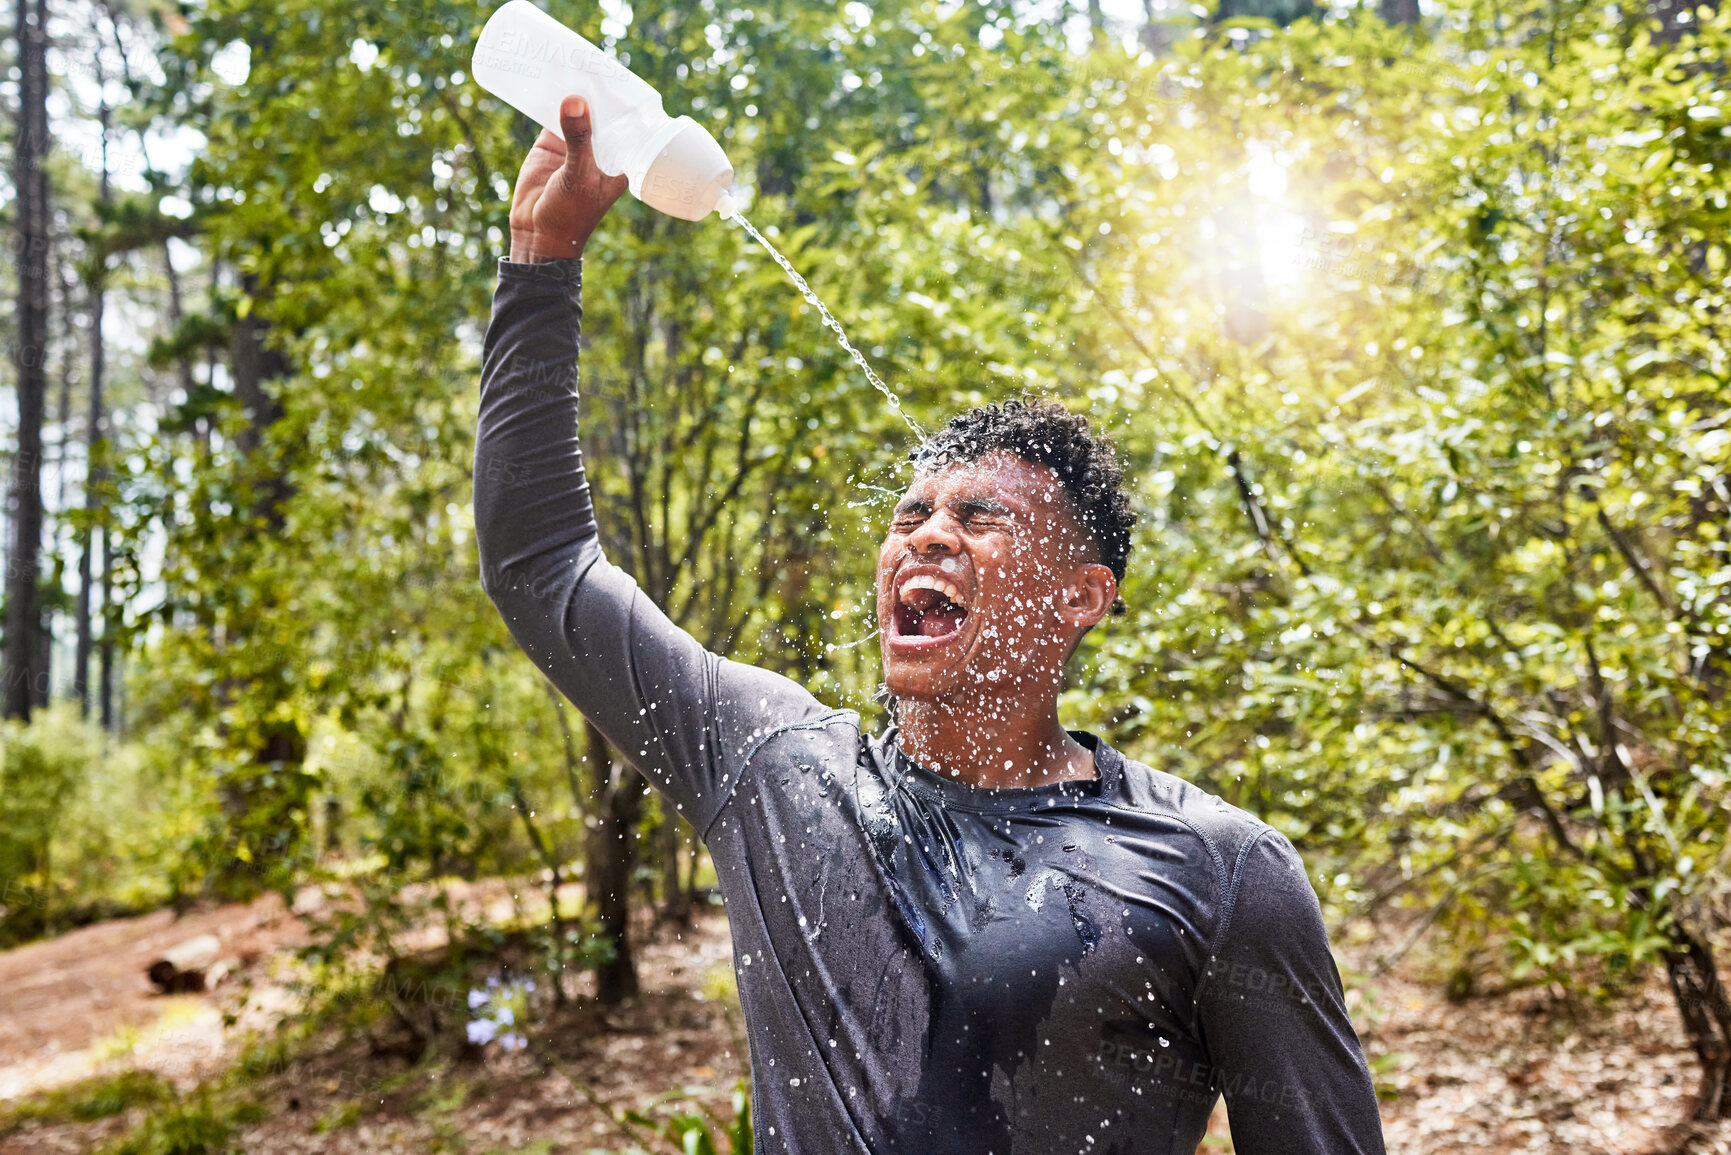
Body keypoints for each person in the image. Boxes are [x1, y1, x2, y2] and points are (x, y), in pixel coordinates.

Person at [475, 92, 1387, 1155]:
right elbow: (540, 567)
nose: (926, 536)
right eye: (909, 516)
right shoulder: (773, 768)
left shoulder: (1218, 869)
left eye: (979, 517)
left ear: (1079, 597)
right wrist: (541, 263)